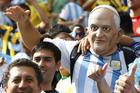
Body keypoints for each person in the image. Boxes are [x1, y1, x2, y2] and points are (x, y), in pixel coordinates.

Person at [4, 5, 133, 93]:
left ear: (118, 33)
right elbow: (36, 43)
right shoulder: (75, 51)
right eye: (94, 28)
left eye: (106, 29)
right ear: (87, 31)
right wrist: (23, 22)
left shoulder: (132, 59)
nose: (98, 34)